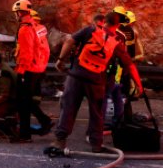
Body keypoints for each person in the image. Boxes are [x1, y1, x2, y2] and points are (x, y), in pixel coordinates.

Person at [50, 12, 144, 153]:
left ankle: (60, 140)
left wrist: (61, 59)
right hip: (97, 81)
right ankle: (96, 144)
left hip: (76, 76)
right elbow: (129, 65)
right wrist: (139, 85)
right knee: (97, 113)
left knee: (68, 107)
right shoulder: (117, 41)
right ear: (117, 26)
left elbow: (69, 41)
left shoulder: (90, 30)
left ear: (104, 21)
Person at [12, 0, 39, 142]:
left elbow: (27, 53)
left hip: (26, 70)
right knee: (25, 103)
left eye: (16, 13)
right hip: (30, 69)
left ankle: (24, 135)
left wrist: (22, 72)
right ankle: (24, 133)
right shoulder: (31, 26)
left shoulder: (24, 29)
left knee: (23, 104)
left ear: (20, 12)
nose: (15, 15)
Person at [29, 9, 54, 135]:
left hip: (32, 68)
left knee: (26, 99)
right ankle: (44, 121)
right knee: (30, 99)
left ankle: (44, 121)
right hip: (37, 68)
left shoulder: (35, 31)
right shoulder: (40, 31)